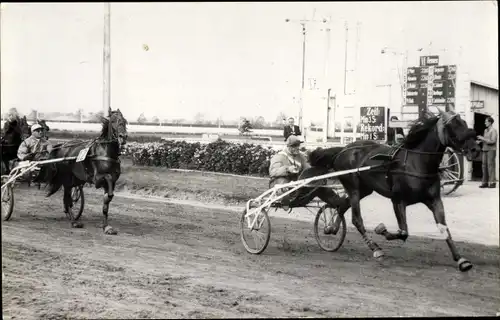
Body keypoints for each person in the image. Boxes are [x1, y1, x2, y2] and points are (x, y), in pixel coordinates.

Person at [269, 135, 350, 216]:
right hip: (283, 188)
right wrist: (287, 169)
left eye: (298, 145)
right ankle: (285, 200)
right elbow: (273, 172)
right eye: (295, 146)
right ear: (289, 147)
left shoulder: (300, 157)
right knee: (282, 181)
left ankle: (338, 202)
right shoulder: (279, 156)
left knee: (317, 186)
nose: (298, 148)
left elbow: (309, 170)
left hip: (297, 189)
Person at [477, 116, 497, 188]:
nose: (485, 123)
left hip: (491, 150)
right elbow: (486, 139)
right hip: (485, 149)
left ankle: (492, 182)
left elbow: (493, 141)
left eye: (486, 121)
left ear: (490, 122)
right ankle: (485, 182)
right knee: (484, 166)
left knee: (490, 166)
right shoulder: (485, 130)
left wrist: (482, 138)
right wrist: (479, 141)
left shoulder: (493, 131)